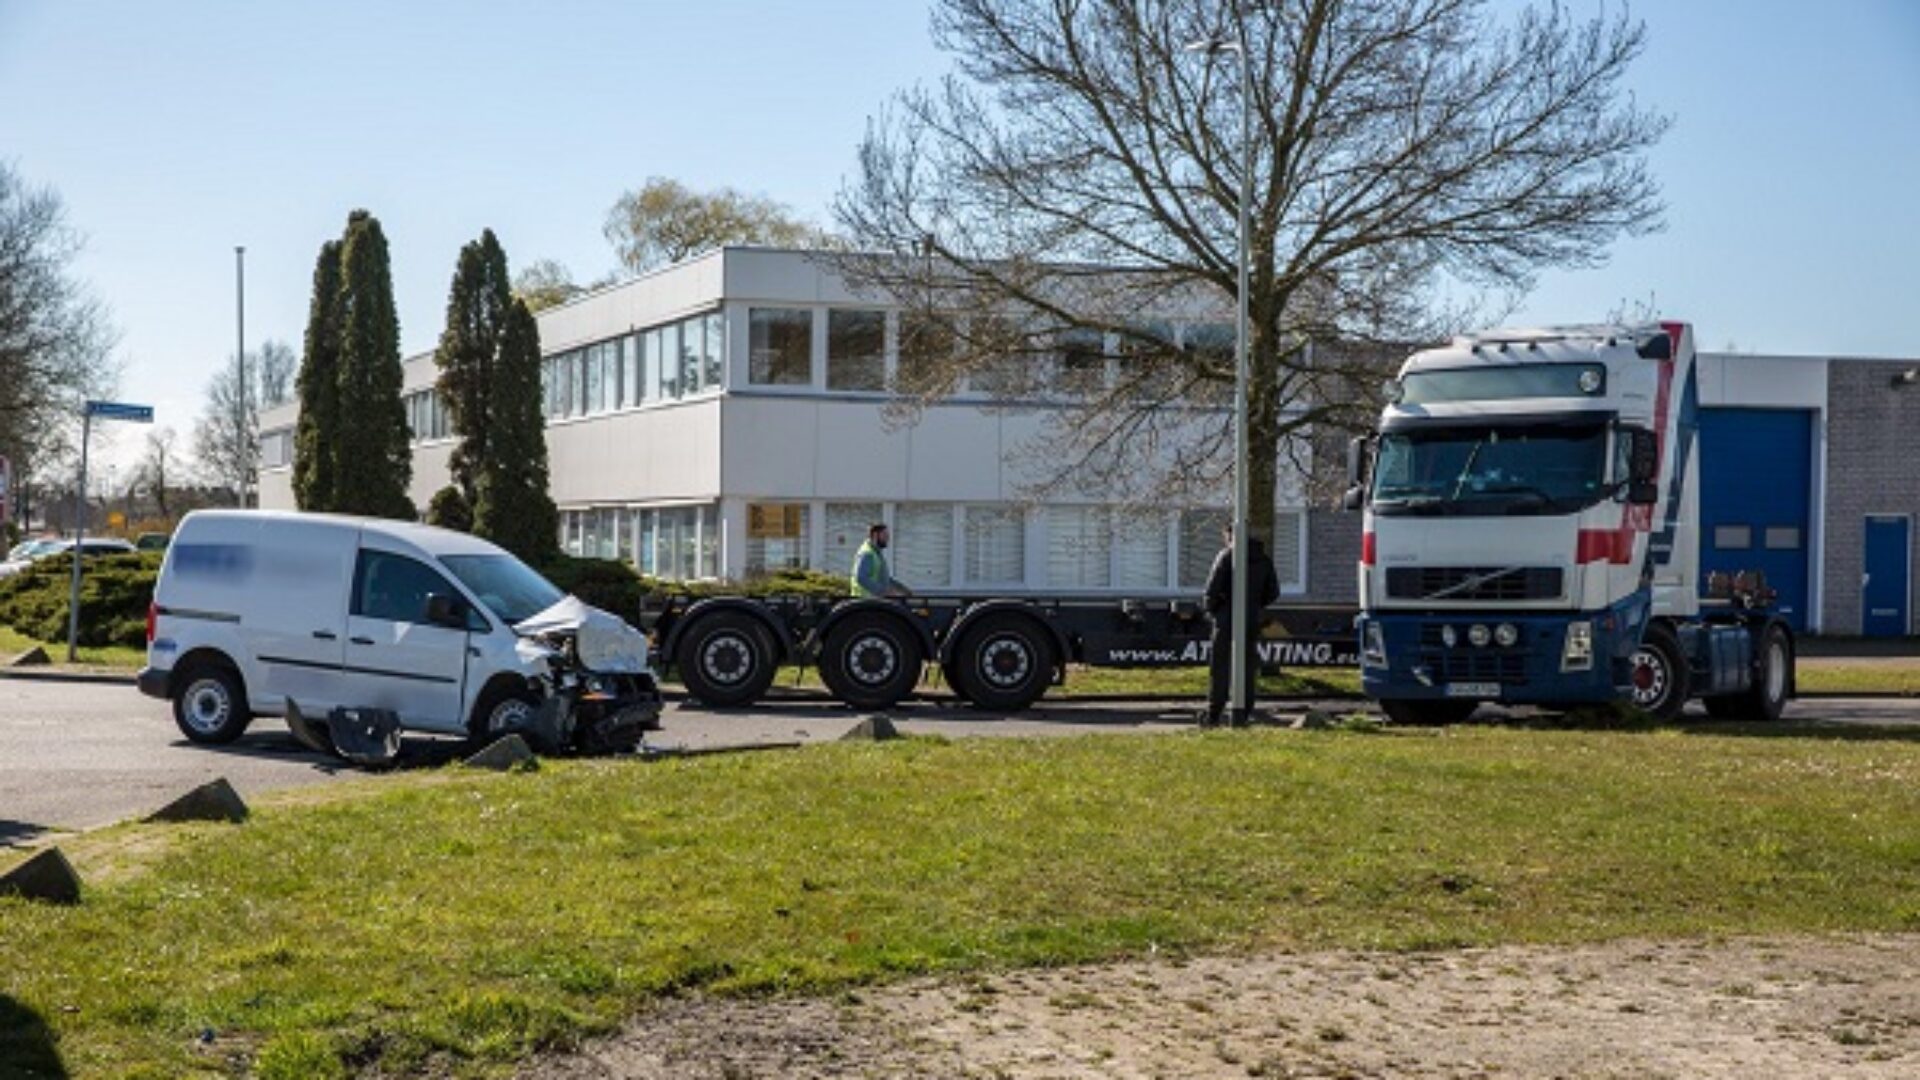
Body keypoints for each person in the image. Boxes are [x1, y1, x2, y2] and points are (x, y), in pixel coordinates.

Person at [1202, 522, 1280, 728]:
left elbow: (1211, 590)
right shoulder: (1263, 559)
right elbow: (1273, 592)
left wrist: (1216, 609)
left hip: (1225, 620)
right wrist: (1254, 605)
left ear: (1230, 535)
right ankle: (1243, 712)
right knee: (1247, 667)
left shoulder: (1226, 556)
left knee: (1220, 668)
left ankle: (1214, 714)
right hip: (1250, 619)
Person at [850, 523, 912, 598]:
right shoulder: (867, 553)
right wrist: (883, 591)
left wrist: (903, 589)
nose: (888, 538)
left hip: (873, 600)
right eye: (885, 535)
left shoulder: (876, 553)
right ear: (875, 535)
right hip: (866, 601)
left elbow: (884, 578)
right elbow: (861, 578)